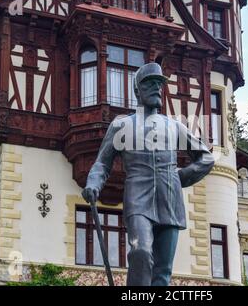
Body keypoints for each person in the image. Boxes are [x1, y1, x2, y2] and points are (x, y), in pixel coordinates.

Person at [82, 62, 214, 286]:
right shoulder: (121, 125)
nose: (156, 88)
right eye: (149, 83)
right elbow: (102, 164)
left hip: (170, 202)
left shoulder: (174, 127)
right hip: (138, 199)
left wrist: (179, 178)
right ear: (137, 90)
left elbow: (207, 158)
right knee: (140, 251)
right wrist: (93, 183)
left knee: (163, 271)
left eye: (159, 84)